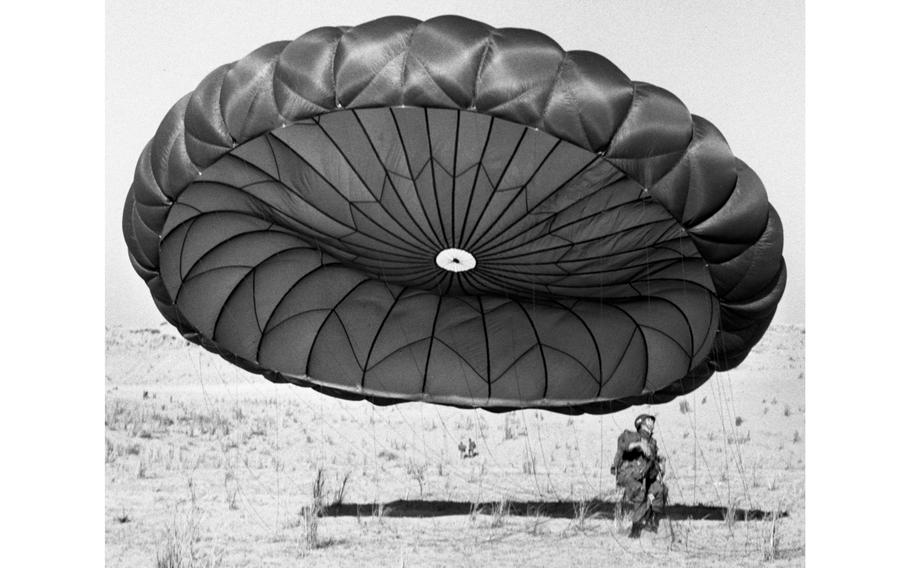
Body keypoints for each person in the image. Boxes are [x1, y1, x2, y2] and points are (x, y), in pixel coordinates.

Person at [611, 413, 669, 538]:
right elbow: (624, 446)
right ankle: (635, 529)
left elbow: (652, 467)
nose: (652, 422)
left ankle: (652, 521)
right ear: (641, 423)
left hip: (644, 477)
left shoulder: (652, 443)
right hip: (627, 476)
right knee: (640, 491)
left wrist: (660, 468)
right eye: (649, 420)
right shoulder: (630, 435)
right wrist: (639, 445)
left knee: (660, 490)